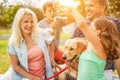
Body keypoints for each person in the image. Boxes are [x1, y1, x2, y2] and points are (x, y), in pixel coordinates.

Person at [0, 8, 54, 80]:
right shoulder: (13, 41)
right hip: (21, 76)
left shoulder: (40, 32)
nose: (30, 25)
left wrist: (52, 59)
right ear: (19, 23)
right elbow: (15, 66)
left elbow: (51, 41)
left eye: (32, 22)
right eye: (26, 22)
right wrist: (32, 77)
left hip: (40, 76)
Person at [72, 0, 120, 79]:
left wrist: (71, 9)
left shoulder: (115, 25)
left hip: (103, 73)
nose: (87, 8)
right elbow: (70, 54)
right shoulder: (79, 29)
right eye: (86, 5)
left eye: (91, 5)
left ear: (103, 7)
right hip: (84, 73)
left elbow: (117, 55)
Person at [38, 1, 74, 67]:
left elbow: (71, 19)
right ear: (44, 13)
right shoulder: (40, 25)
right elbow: (41, 42)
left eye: (54, 10)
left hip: (56, 50)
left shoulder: (58, 20)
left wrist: (67, 11)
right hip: (44, 53)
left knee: (71, 61)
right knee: (47, 68)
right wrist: (51, 27)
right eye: (49, 11)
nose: (52, 13)